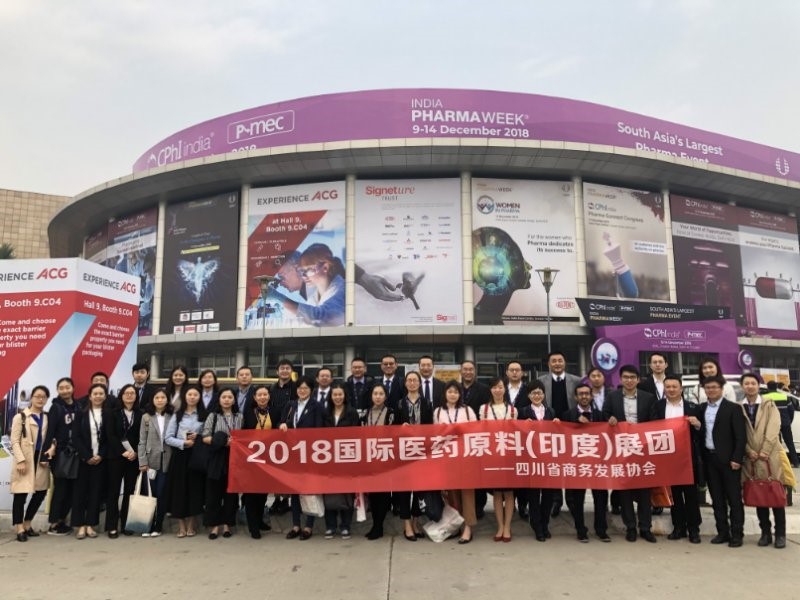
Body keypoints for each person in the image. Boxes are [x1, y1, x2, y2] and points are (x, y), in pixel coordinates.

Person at [603, 365, 658, 543]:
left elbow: (655, 421)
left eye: (632, 377)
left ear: (638, 380)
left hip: (642, 448)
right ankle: (631, 527)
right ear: (620, 379)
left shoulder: (648, 398)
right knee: (624, 489)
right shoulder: (612, 397)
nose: (629, 380)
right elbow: (605, 415)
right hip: (621, 449)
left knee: (644, 490)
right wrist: (609, 419)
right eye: (626, 377)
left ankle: (645, 527)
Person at [698, 374, 746, 547]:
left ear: (721, 389)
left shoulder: (733, 408)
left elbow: (740, 436)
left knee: (734, 499)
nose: (711, 390)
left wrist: (737, 458)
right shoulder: (701, 408)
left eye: (714, 387)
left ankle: (737, 534)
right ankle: (722, 532)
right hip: (709, 460)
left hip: (729, 461)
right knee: (717, 499)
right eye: (708, 388)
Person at [741, 374, 787, 548]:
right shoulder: (739, 407)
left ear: (758, 385)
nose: (750, 386)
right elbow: (739, 432)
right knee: (759, 495)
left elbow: (774, 428)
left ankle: (780, 534)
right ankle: (765, 533)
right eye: (746, 383)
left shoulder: (769, 404)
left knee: (775, 493)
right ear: (742, 386)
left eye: (753, 383)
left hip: (770, 456)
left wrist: (765, 450)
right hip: (752, 457)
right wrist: (748, 450)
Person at [655, 374, 702, 544]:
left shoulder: (693, 407)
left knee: (691, 495)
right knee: (674, 495)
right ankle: (678, 527)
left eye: (674, 387)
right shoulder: (658, 407)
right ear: (664, 389)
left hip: (688, 459)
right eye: (668, 387)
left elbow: (702, 433)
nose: (671, 390)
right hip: (668, 459)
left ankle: (694, 529)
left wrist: (697, 424)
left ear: (681, 388)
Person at [563, 383, 610, 543]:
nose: (584, 396)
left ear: (591, 396)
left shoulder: (601, 416)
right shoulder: (568, 415)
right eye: (581, 394)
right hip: (577, 464)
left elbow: (609, 436)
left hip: (598, 464)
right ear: (576, 397)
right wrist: (575, 424)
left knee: (601, 498)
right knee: (577, 499)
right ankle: (580, 530)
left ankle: (601, 530)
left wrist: (613, 423)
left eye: (586, 394)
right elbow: (561, 436)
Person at [280, 375, 326, 540]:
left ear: (311, 390)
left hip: (310, 454)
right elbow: (282, 422)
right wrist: (282, 425)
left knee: (309, 489)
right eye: (299, 388)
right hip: (293, 454)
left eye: (305, 388)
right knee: (295, 490)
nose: (302, 391)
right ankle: (296, 525)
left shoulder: (317, 406)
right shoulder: (291, 405)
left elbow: (319, 430)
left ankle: (308, 526)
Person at [538, 351, 581, 516]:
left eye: (560, 360)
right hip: (550, 430)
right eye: (553, 361)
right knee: (554, 465)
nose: (557, 363)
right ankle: (556, 500)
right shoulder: (541, 381)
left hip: (571, 429)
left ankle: (571, 499)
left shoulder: (576, 381)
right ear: (549, 364)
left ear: (565, 362)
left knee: (570, 464)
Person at [10, 385, 55, 542]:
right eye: (37, 396)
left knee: (40, 493)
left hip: (42, 459)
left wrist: (52, 449)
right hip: (26, 459)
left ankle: (27, 523)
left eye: (44, 397)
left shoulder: (48, 417)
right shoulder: (21, 417)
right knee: (20, 495)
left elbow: (53, 437)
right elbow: (14, 441)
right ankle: (19, 528)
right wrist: (20, 460)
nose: (40, 399)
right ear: (32, 398)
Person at [435, 381, 477, 544]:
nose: (452, 394)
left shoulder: (467, 410)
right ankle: (456, 525)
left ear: (460, 394)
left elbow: (475, 432)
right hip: (447, 458)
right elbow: (435, 435)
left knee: (467, 493)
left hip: (465, 457)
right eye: (450, 391)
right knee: (452, 494)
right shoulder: (438, 412)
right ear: (445, 393)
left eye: (456, 392)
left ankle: (468, 527)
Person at [164, 385, 207, 538]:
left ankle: (191, 525)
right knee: (179, 491)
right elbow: (168, 438)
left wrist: (198, 437)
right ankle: (181, 526)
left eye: (196, 394)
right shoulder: (178, 415)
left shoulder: (204, 415)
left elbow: (208, 436)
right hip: (180, 457)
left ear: (200, 397)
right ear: (185, 396)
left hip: (197, 456)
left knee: (195, 490)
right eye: (190, 394)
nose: (192, 397)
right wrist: (183, 443)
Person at [395, 372, 433, 541]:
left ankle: (416, 522)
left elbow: (431, 428)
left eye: (415, 380)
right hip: (404, 452)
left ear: (419, 383)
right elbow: (392, 428)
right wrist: (400, 428)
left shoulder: (427, 403)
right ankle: (407, 525)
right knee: (404, 490)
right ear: (405, 383)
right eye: (409, 380)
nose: (412, 383)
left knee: (419, 489)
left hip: (422, 451)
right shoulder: (399, 403)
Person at [518, 380, 557, 540]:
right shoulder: (523, 412)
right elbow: (516, 434)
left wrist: (557, 425)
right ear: (529, 395)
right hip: (531, 460)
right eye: (534, 393)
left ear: (543, 394)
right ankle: (537, 526)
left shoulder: (551, 411)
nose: (537, 395)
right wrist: (522, 425)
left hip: (548, 460)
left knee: (548, 495)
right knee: (534, 496)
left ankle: (545, 524)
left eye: (539, 392)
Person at [203, 387, 243, 539]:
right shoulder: (213, 416)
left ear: (234, 400)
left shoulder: (239, 417)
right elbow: (205, 437)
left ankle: (227, 524)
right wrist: (223, 442)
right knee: (213, 493)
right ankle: (214, 526)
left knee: (230, 494)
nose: (227, 400)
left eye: (230, 397)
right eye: (224, 397)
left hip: (234, 458)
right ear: (219, 400)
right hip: (216, 457)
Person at [273, 243, 345, 327]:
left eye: (309, 270)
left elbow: (322, 318)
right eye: (302, 271)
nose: (304, 276)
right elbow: (305, 320)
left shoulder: (341, 290)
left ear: (325, 268)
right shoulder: (313, 296)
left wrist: (278, 297)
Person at [480, 377, 517, 542]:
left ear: (504, 389)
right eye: (494, 387)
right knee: (496, 493)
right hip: (492, 456)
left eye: (500, 387)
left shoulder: (513, 409)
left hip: (508, 455)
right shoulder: (484, 409)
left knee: (509, 493)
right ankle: (500, 526)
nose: (497, 390)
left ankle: (507, 526)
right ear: (490, 390)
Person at [242, 384, 280, 539]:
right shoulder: (247, 412)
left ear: (269, 396)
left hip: (269, 457)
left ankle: (259, 520)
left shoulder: (275, 411)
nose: (262, 397)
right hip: (251, 457)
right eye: (259, 395)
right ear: (254, 397)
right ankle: (253, 526)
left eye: (265, 394)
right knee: (251, 492)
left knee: (263, 491)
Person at [71, 383, 109, 540]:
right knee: (80, 493)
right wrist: (87, 456)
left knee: (95, 493)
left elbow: (110, 438)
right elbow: (76, 437)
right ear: (90, 396)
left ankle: (91, 525)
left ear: (105, 396)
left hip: (100, 461)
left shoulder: (108, 414)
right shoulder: (81, 413)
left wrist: (101, 455)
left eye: (101, 393)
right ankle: (80, 525)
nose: (98, 396)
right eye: (95, 393)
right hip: (83, 460)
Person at [105, 384, 144, 538]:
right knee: (113, 492)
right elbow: (110, 435)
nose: (129, 395)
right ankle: (112, 526)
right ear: (121, 395)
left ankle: (126, 524)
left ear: (136, 396)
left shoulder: (140, 414)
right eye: (126, 393)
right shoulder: (113, 413)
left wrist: (135, 453)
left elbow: (142, 436)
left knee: (129, 491)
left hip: (133, 458)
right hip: (116, 457)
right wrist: (123, 451)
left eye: (132, 393)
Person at [322, 383, 359, 540]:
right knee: (328, 492)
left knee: (346, 493)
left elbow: (357, 435)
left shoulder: (352, 413)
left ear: (345, 396)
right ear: (331, 397)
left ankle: (345, 526)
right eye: (335, 395)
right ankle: (330, 526)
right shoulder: (325, 413)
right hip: (328, 458)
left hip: (347, 458)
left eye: (340, 394)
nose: (337, 397)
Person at [362, 384, 397, 540]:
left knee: (383, 494)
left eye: (381, 394)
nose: (377, 396)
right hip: (370, 459)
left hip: (385, 458)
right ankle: (375, 525)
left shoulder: (391, 413)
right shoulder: (366, 413)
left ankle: (379, 526)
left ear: (385, 396)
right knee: (373, 495)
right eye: (375, 393)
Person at [138, 388, 173, 537]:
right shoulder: (146, 417)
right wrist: (142, 461)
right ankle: (148, 525)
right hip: (150, 461)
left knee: (161, 494)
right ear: (152, 400)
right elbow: (142, 441)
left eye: (162, 397)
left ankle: (158, 525)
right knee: (149, 494)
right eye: (157, 397)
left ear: (167, 400)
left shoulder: (172, 417)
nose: (160, 400)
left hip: (167, 460)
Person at [47, 377, 79, 536]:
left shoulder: (79, 406)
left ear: (73, 388)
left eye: (67, 387)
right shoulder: (56, 407)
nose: (65, 390)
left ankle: (61, 521)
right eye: (61, 388)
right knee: (60, 489)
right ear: (58, 390)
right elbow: (50, 431)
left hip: (76, 454)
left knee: (72, 490)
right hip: (60, 453)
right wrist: (50, 450)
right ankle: (53, 524)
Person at [268, 359, 296, 515]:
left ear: (291, 371)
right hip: (273, 433)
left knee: (288, 469)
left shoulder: (296, 387)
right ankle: (277, 499)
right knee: (275, 468)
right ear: (277, 371)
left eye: (287, 368)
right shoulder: (271, 388)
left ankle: (286, 499)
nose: (285, 370)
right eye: (282, 368)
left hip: (289, 432)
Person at [763, 380, 799, 467]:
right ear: (777, 388)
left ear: (768, 387)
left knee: (776, 445)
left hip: (772, 425)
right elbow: (791, 411)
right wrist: (789, 421)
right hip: (785, 423)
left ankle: (779, 463)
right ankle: (796, 462)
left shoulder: (764, 398)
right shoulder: (784, 396)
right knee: (790, 443)